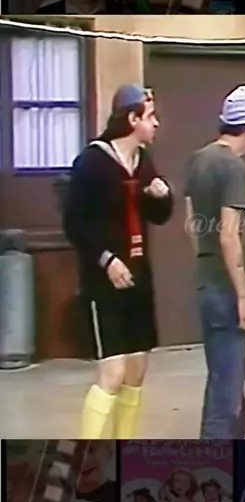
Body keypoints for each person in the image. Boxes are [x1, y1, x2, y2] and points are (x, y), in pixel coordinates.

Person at [63, 84, 174, 439]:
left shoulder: (143, 162)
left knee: (136, 373)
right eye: (150, 117)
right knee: (112, 374)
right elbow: (75, 223)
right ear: (132, 119)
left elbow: (158, 216)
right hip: (103, 281)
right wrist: (106, 259)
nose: (156, 124)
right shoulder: (92, 163)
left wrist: (162, 197)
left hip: (139, 274)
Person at [184, 85, 245, 440]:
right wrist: (244, 297)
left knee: (228, 377)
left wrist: (205, 263)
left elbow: (192, 224)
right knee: (226, 390)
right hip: (225, 289)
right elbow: (228, 235)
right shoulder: (233, 166)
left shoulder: (199, 158)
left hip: (206, 281)